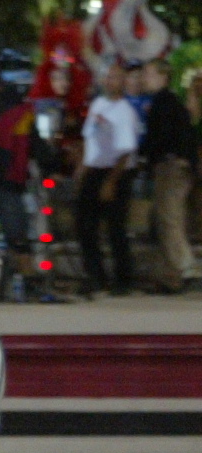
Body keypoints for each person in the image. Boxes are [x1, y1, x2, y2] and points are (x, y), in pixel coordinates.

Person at [79, 63, 143, 295]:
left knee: (116, 227)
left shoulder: (124, 111)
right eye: (107, 77)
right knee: (86, 225)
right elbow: (90, 140)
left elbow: (126, 150)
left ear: (123, 82)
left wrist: (111, 182)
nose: (110, 81)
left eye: (115, 77)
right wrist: (82, 170)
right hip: (95, 169)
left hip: (116, 171)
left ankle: (123, 279)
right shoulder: (98, 105)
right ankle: (96, 275)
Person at [137, 59, 195, 290]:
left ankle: (185, 266)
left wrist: (143, 155)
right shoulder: (169, 103)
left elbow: (159, 139)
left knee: (170, 217)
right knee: (164, 218)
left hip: (171, 167)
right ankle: (170, 275)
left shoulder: (163, 103)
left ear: (163, 77)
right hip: (176, 166)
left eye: (149, 74)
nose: (144, 79)